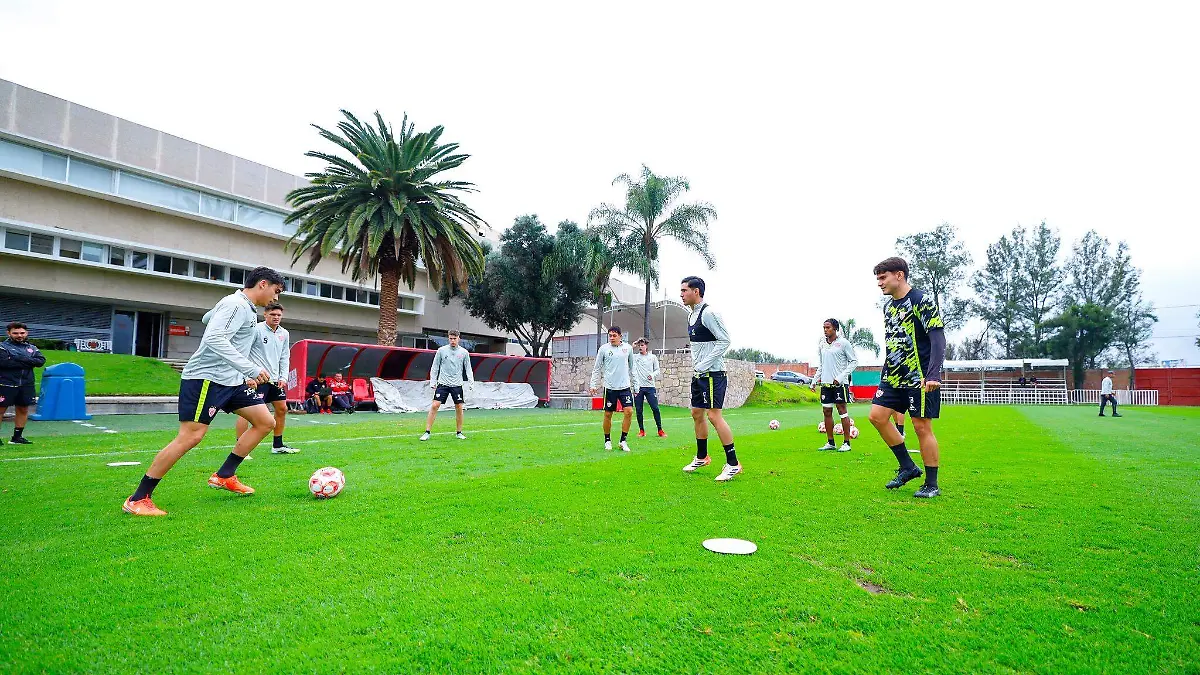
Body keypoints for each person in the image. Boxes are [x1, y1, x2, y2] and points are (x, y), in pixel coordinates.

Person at [122, 267, 285, 516]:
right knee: (191, 436)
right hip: (206, 379)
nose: (276, 298)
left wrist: (243, 373)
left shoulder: (243, 306)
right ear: (263, 284)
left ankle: (224, 475)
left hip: (231, 381)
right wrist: (250, 369)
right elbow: (214, 338)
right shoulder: (235, 304)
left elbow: (207, 319)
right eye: (276, 291)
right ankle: (138, 498)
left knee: (265, 422)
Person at [867, 257, 946, 498]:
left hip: (919, 377)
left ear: (899, 275)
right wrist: (885, 372)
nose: (879, 283)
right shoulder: (888, 307)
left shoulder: (921, 300)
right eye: (878, 279)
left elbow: (937, 338)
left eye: (883, 277)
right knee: (877, 417)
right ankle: (908, 467)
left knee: (921, 427)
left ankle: (931, 484)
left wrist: (933, 373)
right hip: (893, 376)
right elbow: (893, 342)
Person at [678, 276, 741, 481]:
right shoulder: (691, 315)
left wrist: (704, 364)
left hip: (713, 374)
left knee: (714, 416)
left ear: (696, 291)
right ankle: (702, 457)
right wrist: (698, 367)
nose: (681, 294)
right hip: (699, 375)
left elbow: (725, 340)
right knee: (696, 413)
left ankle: (733, 464)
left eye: (684, 290)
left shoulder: (709, 313)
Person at [234, 301, 298, 453]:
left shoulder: (284, 333)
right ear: (265, 315)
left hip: (275, 380)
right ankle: (240, 447)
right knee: (247, 413)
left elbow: (284, 357)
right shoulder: (256, 329)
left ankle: (278, 445)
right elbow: (244, 352)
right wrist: (247, 376)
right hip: (257, 378)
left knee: (282, 409)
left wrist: (283, 377)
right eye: (272, 314)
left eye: (279, 315)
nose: (276, 317)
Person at [812, 319, 858, 452]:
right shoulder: (822, 344)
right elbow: (821, 365)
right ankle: (830, 442)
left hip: (840, 384)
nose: (825, 330)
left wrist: (841, 377)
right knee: (826, 411)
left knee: (842, 410)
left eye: (828, 327)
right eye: (824, 328)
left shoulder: (843, 343)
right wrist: (814, 380)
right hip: (826, 384)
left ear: (835, 329)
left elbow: (854, 362)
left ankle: (846, 443)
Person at [420, 330, 475, 440]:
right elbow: (435, 366)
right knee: (435, 405)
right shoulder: (441, 351)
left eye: (454, 338)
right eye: (451, 338)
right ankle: (427, 432)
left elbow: (468, 368)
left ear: (458, 339)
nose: (452, 341)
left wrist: (471, 382)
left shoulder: (464, 352)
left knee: (459, 407)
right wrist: (433, 381)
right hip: (443, 383)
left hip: (457, 384)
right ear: (448, 339)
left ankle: (459, 433)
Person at [589, 326, 636, 452]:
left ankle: (623, 441)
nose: (612, 338)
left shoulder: (628, 348)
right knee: (608, 414)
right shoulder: (604, 349)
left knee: (629, 411)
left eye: (614, 335)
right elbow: (597, 368)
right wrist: (593, 384)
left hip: (625, 387)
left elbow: (632, 368)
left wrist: (636, 386)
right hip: (610, 387)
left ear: (620, 336)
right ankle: (607, 440)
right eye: (610, 335)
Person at [0, 322, 46, 446]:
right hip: (5, 383)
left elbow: (40, 361)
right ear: (8, 333)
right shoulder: (2, 347)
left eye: (22, 333)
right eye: (15, 333)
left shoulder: (32, 348)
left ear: (26, 333)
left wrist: (19, 358)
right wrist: (30, 361)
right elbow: (4, 363)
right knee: (1, 409)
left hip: (26, 384)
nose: (19, 335)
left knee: (23, 409)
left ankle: (17, 437)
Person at [631, 338, 666, 438]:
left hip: (650, 387)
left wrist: (652, 375)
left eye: (642, 345)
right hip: (638, 388)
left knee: (655, 408)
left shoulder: (652, 357)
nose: (640, 347)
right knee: (639, 410)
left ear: (646, 346)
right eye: (639, 345)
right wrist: (632, 346)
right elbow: (626, 354)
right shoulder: (635, 357)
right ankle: (641, 431)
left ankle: (660, 430)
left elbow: (657, 370)